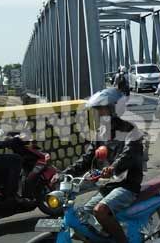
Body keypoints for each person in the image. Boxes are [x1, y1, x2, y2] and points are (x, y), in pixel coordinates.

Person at [59, 88, 143, 243]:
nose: (100, 114)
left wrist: (113, 168)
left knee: (101, 211)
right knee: (83, 215)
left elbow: (129, 154)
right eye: (98, 111)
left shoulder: (131, 130)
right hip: (109, 185)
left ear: (114, 109)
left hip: (127, 185)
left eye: (102, 110)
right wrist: (64, 173)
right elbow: (87, 158)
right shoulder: (101, 132)